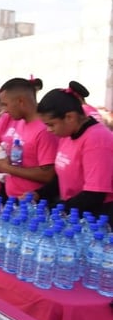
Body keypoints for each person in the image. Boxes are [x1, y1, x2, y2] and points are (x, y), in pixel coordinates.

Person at [33, 81, 113, 219]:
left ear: (70, 117)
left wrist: (57, 208)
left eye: (51, 124)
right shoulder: (67, 134)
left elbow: (94, 194)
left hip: (95, 217)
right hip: (73, 211)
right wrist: (39, 194)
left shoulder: (97, 140)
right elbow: (62, 176)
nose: (48, 130)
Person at [0, 77, 58, 200]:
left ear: (21, 101)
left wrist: (6, 167)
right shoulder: (11, 119)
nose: (4, 110)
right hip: (9, 195)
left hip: (30, 201)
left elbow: (47, 174)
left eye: (5, 105)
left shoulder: (44, 130)